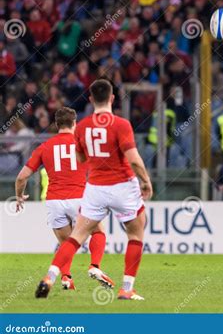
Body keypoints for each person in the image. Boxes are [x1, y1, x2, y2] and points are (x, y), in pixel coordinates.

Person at [35, 79, 153, 300]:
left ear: (90, 100)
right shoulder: (121, 124)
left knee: (77, 236)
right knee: (135, 233)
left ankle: (50, 276)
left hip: (95, 188)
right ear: (112, 98)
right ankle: (126, 288)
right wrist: (145, 180)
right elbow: (134, 160)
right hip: (122, 185)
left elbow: (80, 157)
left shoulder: (82, 127)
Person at [15, 107, 110, 291]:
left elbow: (21, 177)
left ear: (56, 125)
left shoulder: (44, 147)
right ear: (74, 123)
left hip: (54, 201)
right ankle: (95, 266)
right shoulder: (83, 144)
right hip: (80, 198)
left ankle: (66, 277)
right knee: (98, 232)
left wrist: (19, 197)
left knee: (66, 244)